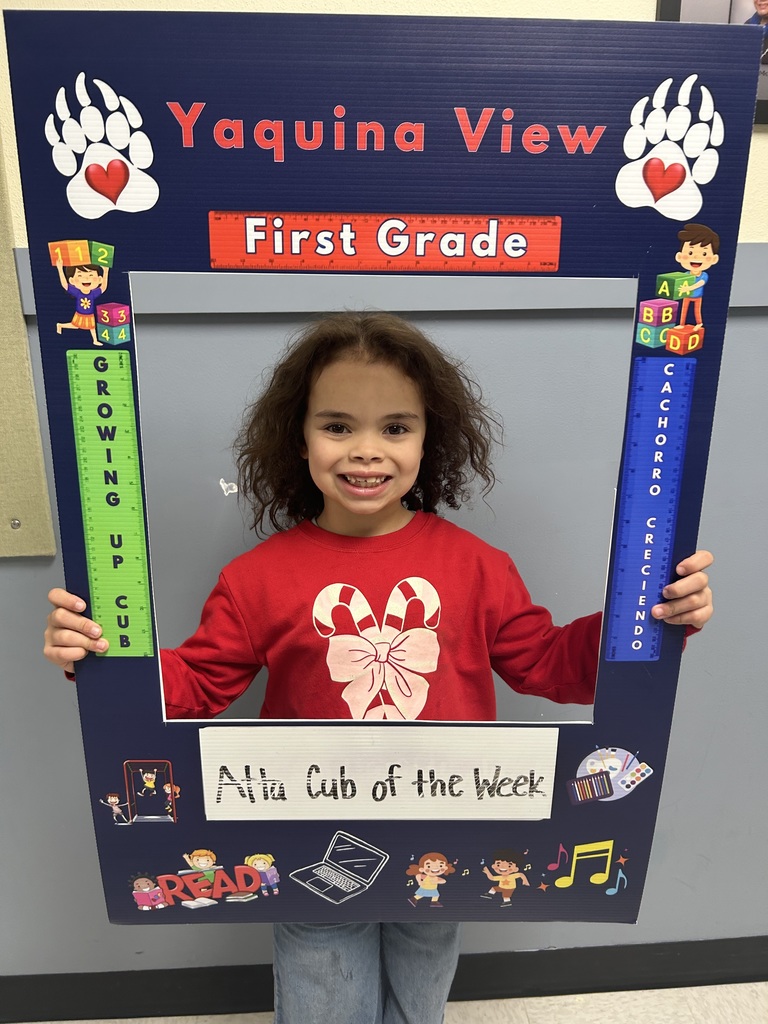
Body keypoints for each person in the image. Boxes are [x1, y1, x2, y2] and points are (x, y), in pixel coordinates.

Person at [44, 311, 713, 1024]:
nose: (366, 451)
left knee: (423, 982)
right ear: (299, 439)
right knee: (323, 988)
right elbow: (198, 685)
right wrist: (103, 661)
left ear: (430, 439)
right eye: (338, 426)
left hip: (445, 832)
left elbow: (548, 663)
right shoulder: (255, 579)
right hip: (308, 836)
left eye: (395, 427)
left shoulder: (479, 567)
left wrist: (645, 623)